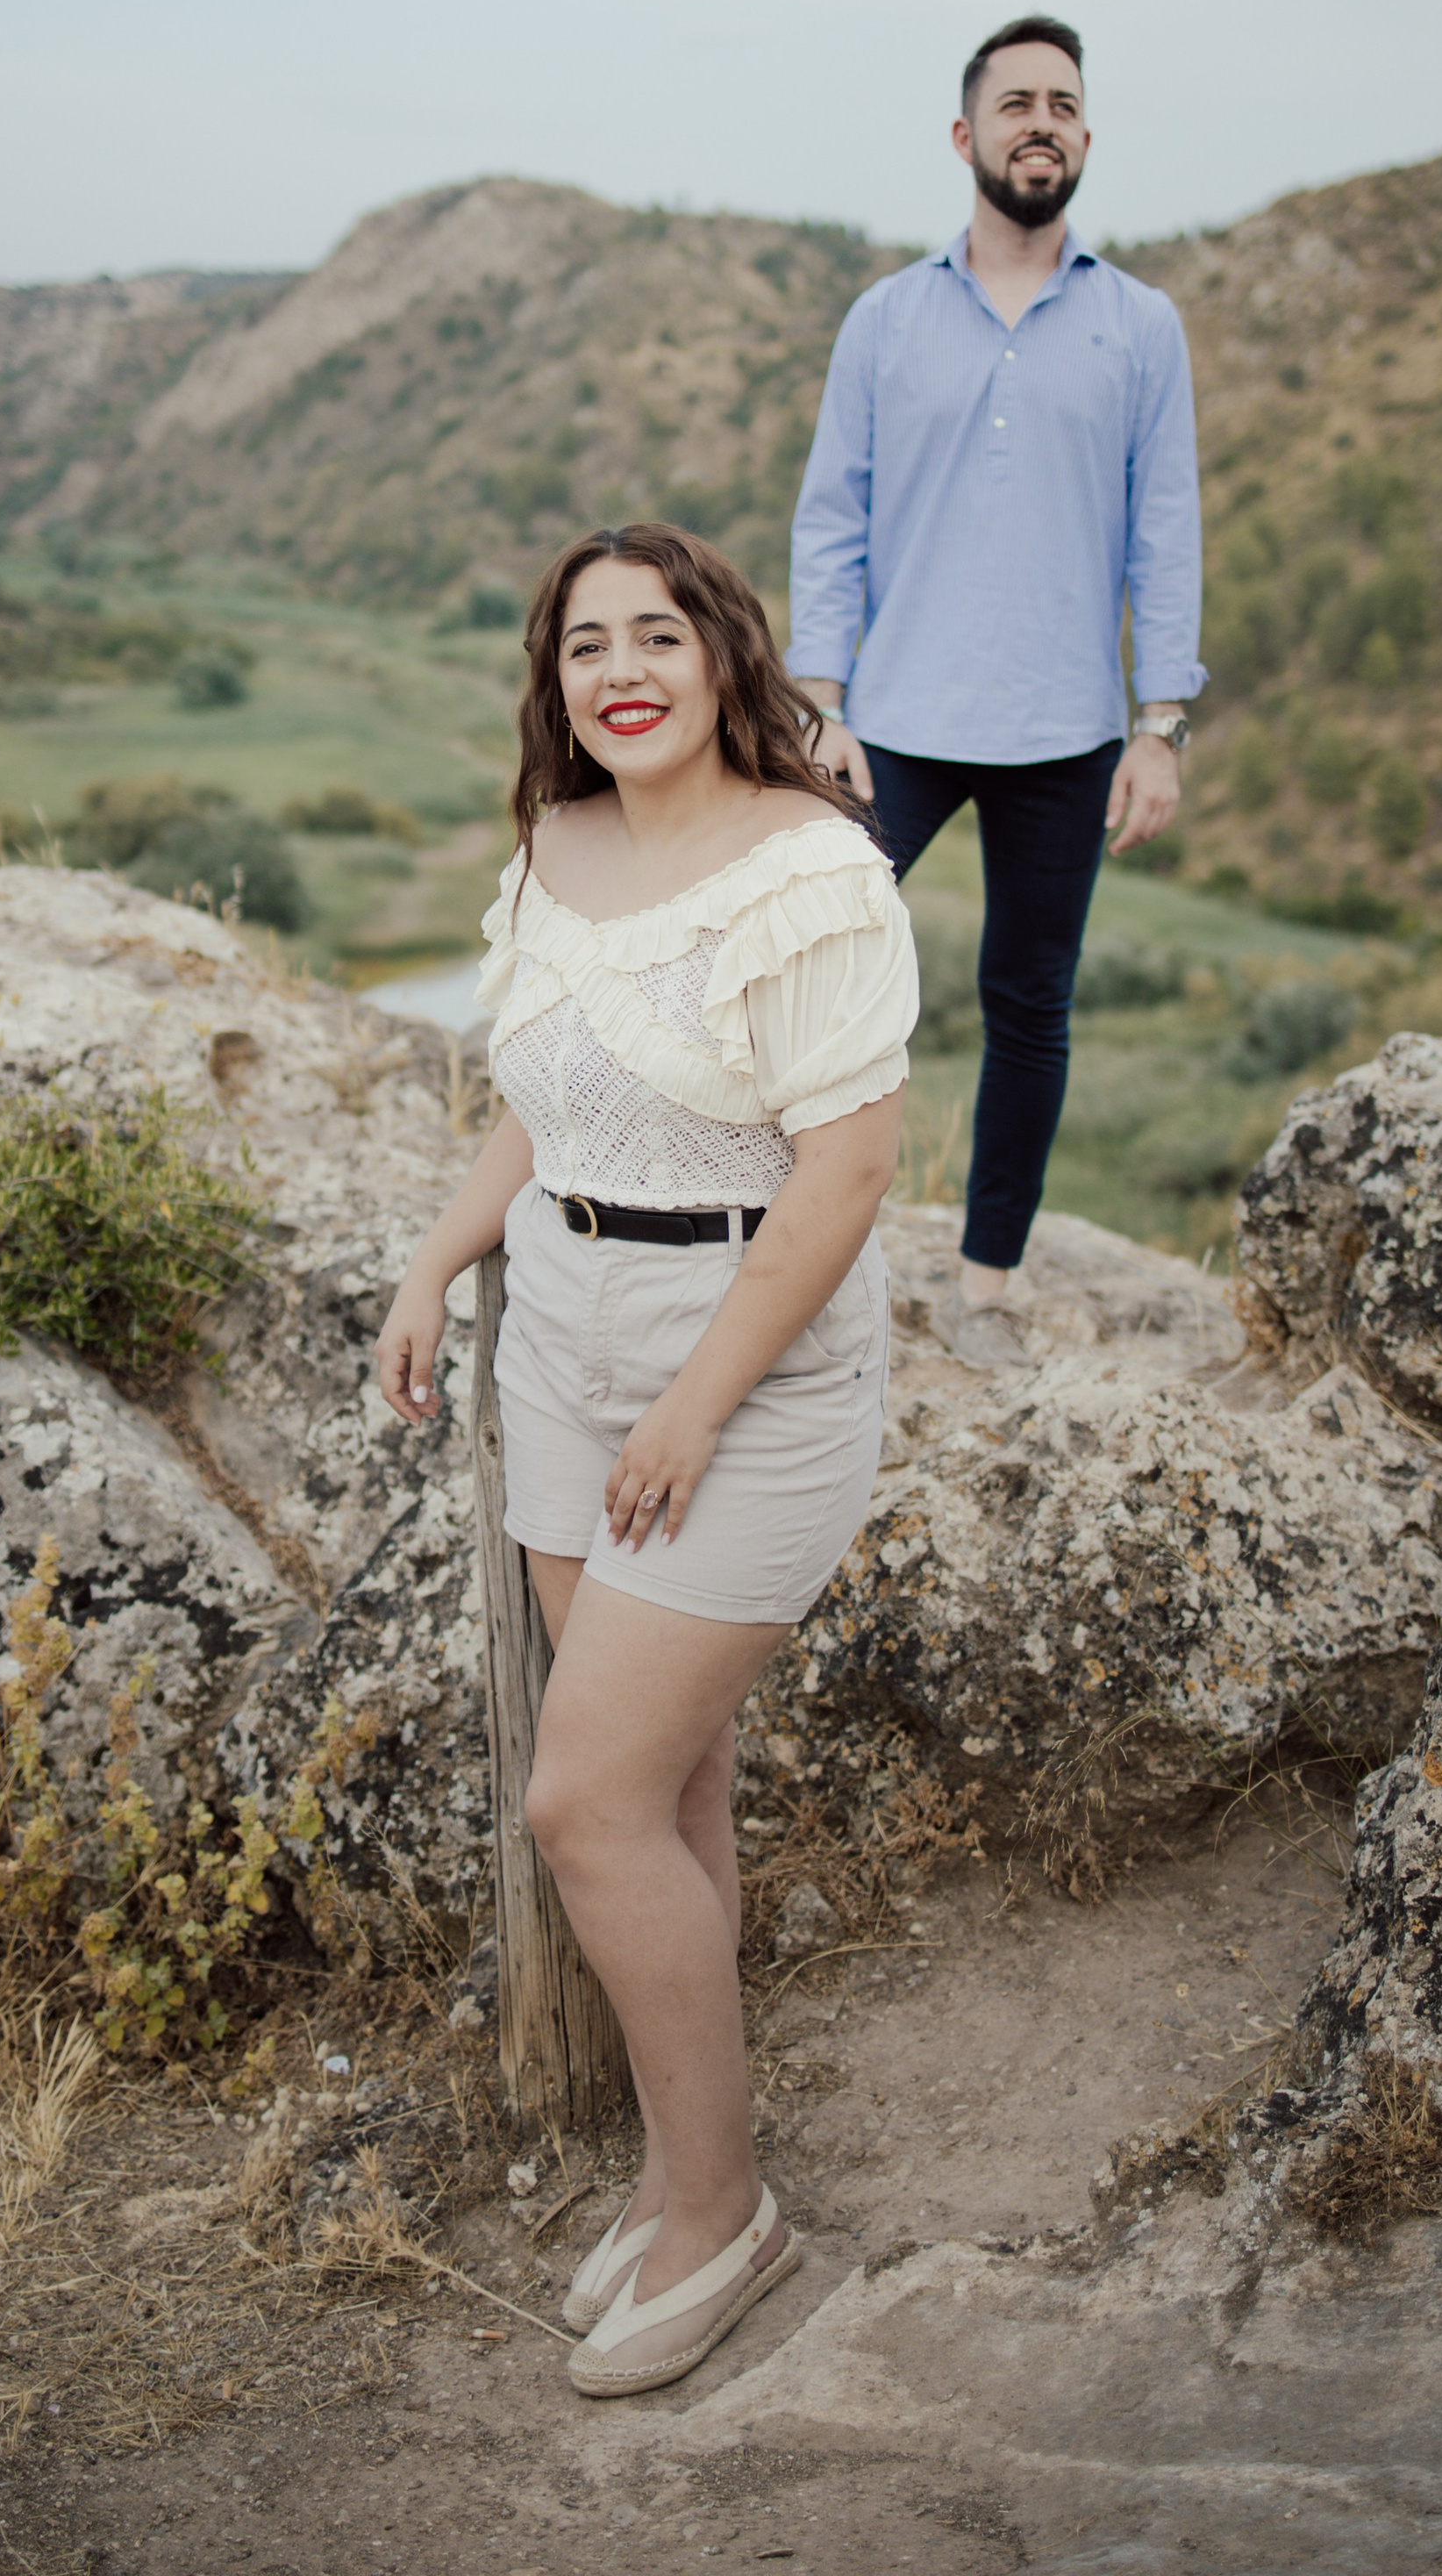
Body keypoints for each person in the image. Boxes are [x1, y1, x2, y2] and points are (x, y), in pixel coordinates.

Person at [375, 520, 917, 2400]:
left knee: (577, 1803)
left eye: (656, 634)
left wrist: (691, 1407)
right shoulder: (554, 845)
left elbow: (842, 1180)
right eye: (583, 641)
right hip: (563, 1342)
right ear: (556, 680)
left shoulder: (813, 872)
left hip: (743, 1373)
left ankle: (722, 2212)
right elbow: (548, 1101)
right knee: (667, 1780)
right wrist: (442, 1255)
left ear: (718, 655)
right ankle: (690, 2163)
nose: (621, 666)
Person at [787, 12, 1203, 1369]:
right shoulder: (887, 318)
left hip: (1069, 731)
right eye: (1016, 100)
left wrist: (1160, 728)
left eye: (1064, 103)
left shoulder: (1140, 327)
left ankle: (984, 1295)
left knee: (1031, 1007)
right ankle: (763, 1245)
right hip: (890, 723)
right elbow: (830, 520)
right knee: (806, 976)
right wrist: (821, 696)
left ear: (1085, 138)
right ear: (965, 138)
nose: (1042, 121)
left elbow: (1167, 534)